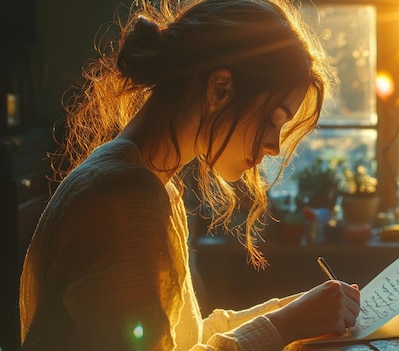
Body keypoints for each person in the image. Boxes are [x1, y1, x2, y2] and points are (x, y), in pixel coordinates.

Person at [19, 0, 361, 350]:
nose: (274, 145)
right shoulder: (124, 195)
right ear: (220, 89)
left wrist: (293, 313)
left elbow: (181, 340)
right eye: (273, 118)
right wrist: (283, 325)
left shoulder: (153, 185)